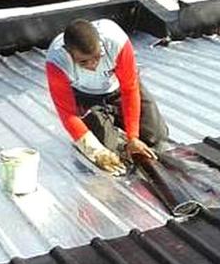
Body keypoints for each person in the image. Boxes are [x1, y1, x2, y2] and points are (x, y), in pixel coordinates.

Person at [46, 18, 169, 175]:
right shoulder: (57, 63)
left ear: (100, 43)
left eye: (97, 57)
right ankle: (116, 140)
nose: (93, 65)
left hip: (118, 89)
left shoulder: (116, 41)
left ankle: (126, 135)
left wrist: (133, 137)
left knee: (156, 135)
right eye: (83, 62)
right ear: (68, 52)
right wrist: (96, 152)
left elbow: (130, 89)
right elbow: (68, 113)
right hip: (86, 97)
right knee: (108, 150)